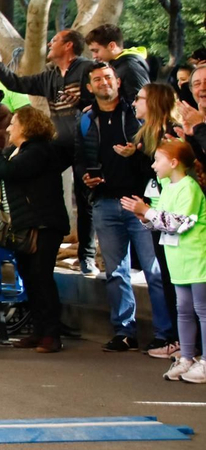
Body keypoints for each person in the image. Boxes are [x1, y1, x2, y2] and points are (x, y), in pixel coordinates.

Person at [78, 63, 176, 354]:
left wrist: (137, 152)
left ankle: (166, 334)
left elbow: (155, 158)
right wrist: (86, 177)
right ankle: (124, 332)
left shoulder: (135, 115)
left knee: (153, 271)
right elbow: (79, 155)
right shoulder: (86, 119)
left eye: (108, 77)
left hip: (140, 204)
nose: (104, 82)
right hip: (106, 202)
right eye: (97, 79)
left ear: (118, 82)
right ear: (90, 87)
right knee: (116, 273)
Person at [0, 29, 98, 272]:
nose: (49, 43)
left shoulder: (87, 69)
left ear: (69, 46)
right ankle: (38, 230)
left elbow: (102, 100)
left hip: (88, 143)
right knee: (40, 179)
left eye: (55, 40)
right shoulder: (49, 76)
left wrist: (80, 102)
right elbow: (16, 83)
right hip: (60, 144)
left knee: (85, 197)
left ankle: (87, 255)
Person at [0, 105, 71, 353]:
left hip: (43, 224)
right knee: (30, 278)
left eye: (13, 123)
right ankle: (39, 330)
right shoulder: (16, 151)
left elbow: (9, 171)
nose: (9, 127)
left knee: (41, 277)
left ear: (26, 127)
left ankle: (51, 334)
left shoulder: (39, 150)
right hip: (25, 225)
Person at [121, 140, 206, 383]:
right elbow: (159, 220)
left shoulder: (189, 187)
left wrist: (147, 212)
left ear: (174, 162)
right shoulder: (167, 186)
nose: (153, 165)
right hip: (177, 259)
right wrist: (144, 215)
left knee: (202, 311)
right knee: (184, 311)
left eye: (157, 160)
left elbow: (178, 222)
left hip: (197, 258)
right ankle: (187, 357)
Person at [134, 83, 184, 351]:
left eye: (140, 99)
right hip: (154, 214)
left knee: (174, 281)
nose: (135, 103)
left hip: (168, 215)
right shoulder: (147, 136)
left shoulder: (170, 136)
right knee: (166, 277)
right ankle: (178, 341)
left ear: (154, 103)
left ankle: (182, 343)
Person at [86, 23, 150, 102]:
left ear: (112, 46)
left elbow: (141, 102)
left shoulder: (129, 68)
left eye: (96, 51)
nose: (94, 56)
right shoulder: (121, 66)